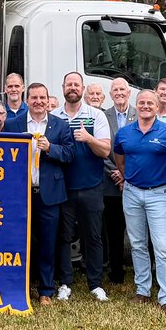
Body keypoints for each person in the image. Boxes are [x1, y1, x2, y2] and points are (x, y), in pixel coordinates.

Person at [4, 82, 76, 304]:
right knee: (19, 242)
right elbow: (3, 156)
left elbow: (70, 154)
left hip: (49, 194)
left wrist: (50, 148)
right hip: (19, 195)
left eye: (42, 98)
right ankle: (20, 288)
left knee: (47, 243)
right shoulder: (12, 124)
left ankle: (46, 290)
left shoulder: (60, 125)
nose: (38, 102)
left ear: (47, 100)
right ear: (27, 101)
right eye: (34, 98)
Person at [113, 89, 166, 310]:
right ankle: (143, 290)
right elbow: (120, 160)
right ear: (136, 105)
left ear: (157, 107)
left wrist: (165, 186)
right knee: (137, 244)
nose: (145, 106)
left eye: (150, 103)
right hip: (132, 193)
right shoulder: (124, 133)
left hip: (159, 194)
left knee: (162, 245)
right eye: (142, 103)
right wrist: (129, 178)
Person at [52, 72, 111, 302]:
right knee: (64, 237)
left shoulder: (96, 115)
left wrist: (89, 138)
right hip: (63, 187)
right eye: (69, 84)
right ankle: (65, 283)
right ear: (63, 88)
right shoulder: (54, 117)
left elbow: (105, 150)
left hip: (91, 186)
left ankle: (95, 284)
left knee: (93, 237)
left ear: (82, 89)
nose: (73, 88)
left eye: (77, 84)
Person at [102, 77, 134, 285]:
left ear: (129, 93)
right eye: (115, 90)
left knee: (138, 231)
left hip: (135, 182)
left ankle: (141, 271)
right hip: (111, 183)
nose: (119, 93)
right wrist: (116, 172)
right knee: (113, 230)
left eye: (123, 89)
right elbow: (100, 149)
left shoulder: (140, 114)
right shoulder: (103, 116)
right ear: (111, 94)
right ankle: (116, 272)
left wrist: (126, 174)